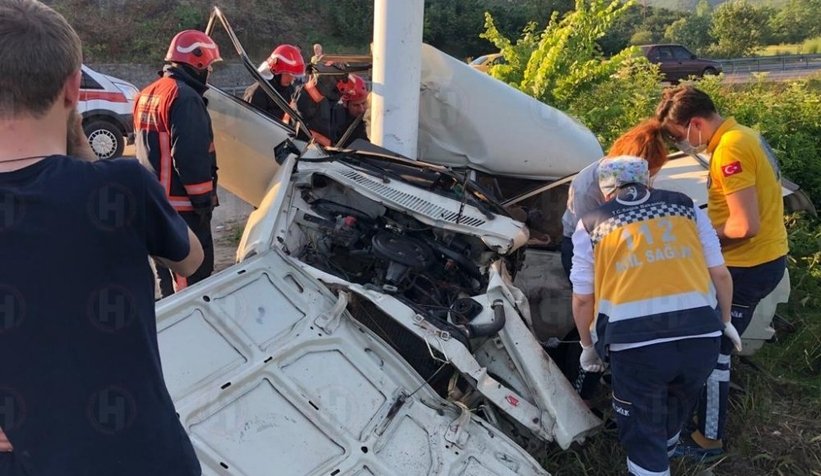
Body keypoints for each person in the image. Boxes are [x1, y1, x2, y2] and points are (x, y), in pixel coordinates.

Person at [0, 1, 204, 474]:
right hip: (140, 455)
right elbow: (191, 260)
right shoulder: (121, 187)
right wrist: (78, 145)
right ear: (73, 88)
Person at [570, 156, 740, 476]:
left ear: (605, 189)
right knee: (676, 406)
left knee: (643, 432)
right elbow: (720, 273)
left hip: (638, 349)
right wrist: (726, 320)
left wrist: (587, 346)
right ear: (648, 180)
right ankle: (667, 455)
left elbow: (582, 299)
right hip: (700, 338)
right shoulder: (686, 207)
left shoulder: (591, 222)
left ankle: (653, 465)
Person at [656, 85, 789, 460]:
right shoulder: (743, 134)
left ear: (695, 123)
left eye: (681, 136)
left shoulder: (729, 149)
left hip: (748, 266)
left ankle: (708, 441)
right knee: (710, 347)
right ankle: (698, 428)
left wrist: (695, 242)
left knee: (714, 352)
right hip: (762, 258)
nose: (683, 144)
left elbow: (744, 225)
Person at [559, 119, 670, 401]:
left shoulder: (627, 172)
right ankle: (583, 391)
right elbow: (592, 238)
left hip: (621, 245)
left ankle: (613, 373)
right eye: (650, 174)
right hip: (584, 246)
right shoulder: (588, 188)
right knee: (594, 320)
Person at [135, 29, 221, 297]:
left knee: (167, 277)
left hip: (155, 204)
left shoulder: (147, 93)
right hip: (183, 209)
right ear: (197, 63)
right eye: (209, 66)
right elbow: (190, 155)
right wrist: (203, 202)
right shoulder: (185, 98)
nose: (209, 72)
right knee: (192, 281)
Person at [243, 44, 305, 122]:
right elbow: (251, 124)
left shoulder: (290, 90)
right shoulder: (257, 92)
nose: (291, 78)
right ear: (276, 72)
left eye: (293, 74)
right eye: (287, 74)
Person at [331, 73, 370, 147]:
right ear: (345, 104)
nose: (361, 110)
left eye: (364, 103)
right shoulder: (337, 122)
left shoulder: (374, 116)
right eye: (356, 105)